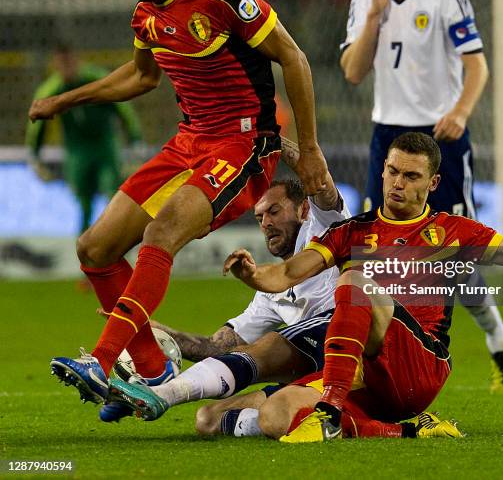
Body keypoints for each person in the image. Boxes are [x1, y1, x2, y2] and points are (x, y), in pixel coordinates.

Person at [29, 0, 328, 406]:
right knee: (94, 249)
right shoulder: (145, 16)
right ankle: (151, 364)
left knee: (160, 234)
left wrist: (310, 147)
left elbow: (293, 59)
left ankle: (101, 362)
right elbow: (141, 77)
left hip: (243, 144)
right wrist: (66, 99)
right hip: (188, 141)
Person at [224, 132, 503, 442]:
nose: (398, 183)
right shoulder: (350, 231)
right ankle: (405, 430)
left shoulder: (452, 231)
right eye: (393, 171)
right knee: (274, 415)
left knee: (355, 280)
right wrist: (251, 275)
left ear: (433, 182)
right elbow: (285, 274)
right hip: (364, 375)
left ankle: (328, 410)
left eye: (411, 176)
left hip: (419, 366)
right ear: (382, 170)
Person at [340, 0, 503, 393]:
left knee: (459, 262)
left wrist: (460, 111)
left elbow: (477, 66)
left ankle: (498, 335)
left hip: (443, 136)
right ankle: (400, 355)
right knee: (387, 257)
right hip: (388, 139)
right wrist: (376, 16)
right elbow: (353, 73)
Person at [99, 137, 347, 426]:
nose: (265, 222)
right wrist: (148, 330)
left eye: (274, 211)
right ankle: (315, 419)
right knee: (208, 420)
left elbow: (319, 181)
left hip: (352, 349)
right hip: (314, 370)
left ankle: (161, 393)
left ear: (303, 210)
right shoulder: (268, 294)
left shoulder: (327, 225)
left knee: (265, 347)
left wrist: (273, 141)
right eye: (259, 217)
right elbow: (217, 348)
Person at [26, 44, 142, 233]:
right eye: (61, 63)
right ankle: (85, 246)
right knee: (83, 200)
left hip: (104, 144)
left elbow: (123, 107)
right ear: (55, 65)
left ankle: (116, 239)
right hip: (77, 150)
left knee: (112, 190)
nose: (67, 67)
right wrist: (34, 152)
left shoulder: (95, 79)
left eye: (69, 62)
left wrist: (135, 138)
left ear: (76, 60)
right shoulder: (51, 90)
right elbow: (37, 123)